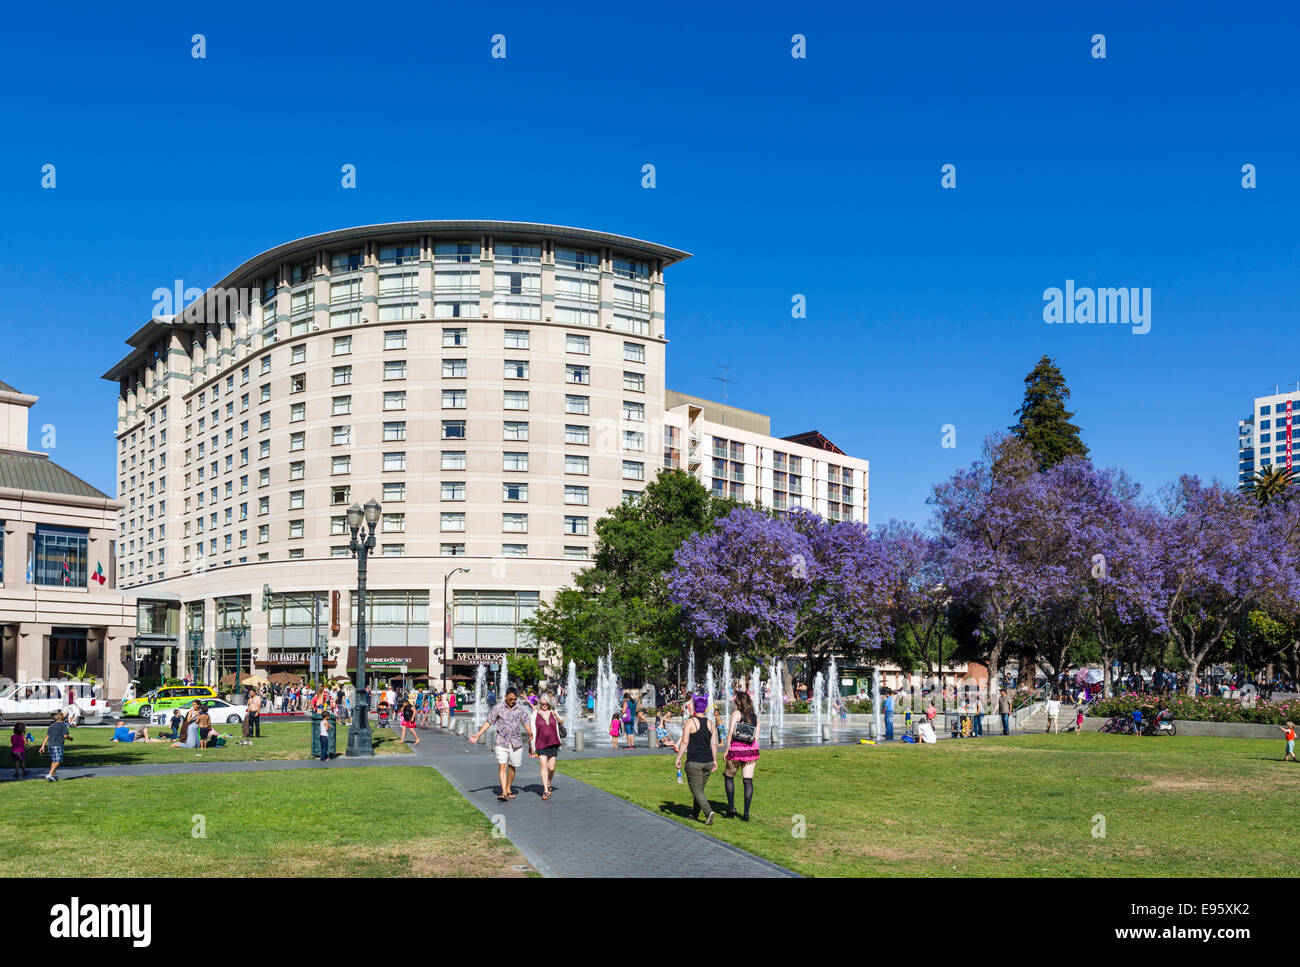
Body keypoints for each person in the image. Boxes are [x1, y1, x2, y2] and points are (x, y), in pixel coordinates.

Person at [468, 687, 534, 801]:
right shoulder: (498, 708)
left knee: (513, 766)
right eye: (510, 699)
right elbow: (488, 722)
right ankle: (503, 792)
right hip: (501, 741)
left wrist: (530, 733)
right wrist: (478, 735)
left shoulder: (520, 709)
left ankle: (508, 789)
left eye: (514, 699)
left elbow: (526, 722)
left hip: (516, 742)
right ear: (505, 697)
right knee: (502, 766)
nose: (512, 701)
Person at [675, 695, 718, 824]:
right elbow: (714, 744)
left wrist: (678, 758)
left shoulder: (690, 722)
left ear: (694, 707)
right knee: (699, 789)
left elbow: (684, 741)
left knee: (696, 789)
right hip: (708, 761)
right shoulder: (711, 723)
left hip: (694, 761)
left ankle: (708, 812)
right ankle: (694, 814)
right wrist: (715, 760)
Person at [722, 690, 760, 821]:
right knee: (748, 781)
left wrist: (727, 750)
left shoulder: (737, 714)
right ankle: (746, 813)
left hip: (737, 749)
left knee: (728, 776)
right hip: (751, 750)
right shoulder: (755, 717)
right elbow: (756, 737)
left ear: (738, 701)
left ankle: (731, 808)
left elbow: (730, 734)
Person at [531, 692, 564, 800]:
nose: (544, 706)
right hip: (540, 743)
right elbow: (532, 730)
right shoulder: (535, 714)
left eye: (546, 704)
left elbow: (561, 721)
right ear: (539, 703)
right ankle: (545, 790)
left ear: (549, 704)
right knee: (543, 766)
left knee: (551, 768)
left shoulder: (553, 712)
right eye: (542, 704)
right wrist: (531, 745)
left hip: (553, 742)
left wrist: (557, 716)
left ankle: (549, 782)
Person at [39, 711, 72, 781]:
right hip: (58, 745)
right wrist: (70, 738)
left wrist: (42, 746)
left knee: (54, 761)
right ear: (60, 717)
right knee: (58, 761)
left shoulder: (51, 726)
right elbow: (65, 736)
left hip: (50, 745)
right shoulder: (63, 725)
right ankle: (50, 774)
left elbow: (47, 736)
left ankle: (53, 776)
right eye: (63, 715)